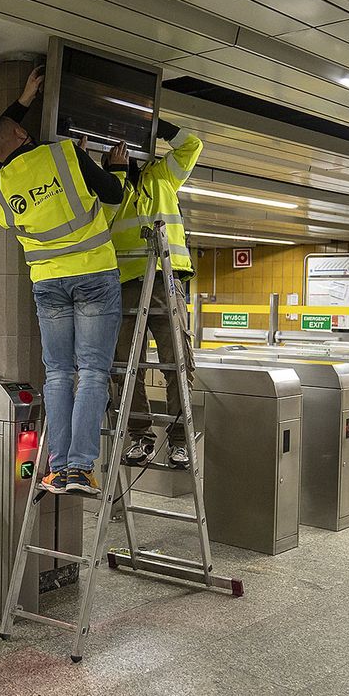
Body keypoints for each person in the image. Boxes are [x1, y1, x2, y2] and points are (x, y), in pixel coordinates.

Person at [0, 66, 128, 496]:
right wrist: (114, 168)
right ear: (23, 135)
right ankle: (82, 467)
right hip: (94, 275)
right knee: (94, 371)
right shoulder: (64, 154)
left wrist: (22, 102)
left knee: (60, 374)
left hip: (48, 285)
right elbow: (115, 194)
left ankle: (61, 466)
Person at [107, 118, 203, 468]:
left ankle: (180, 440)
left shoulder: (162, 176)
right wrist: (115, 175)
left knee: (178, 362)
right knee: (124, 366)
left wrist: (159, 126)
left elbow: (192, 146)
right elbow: (104, 217)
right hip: (124, 284)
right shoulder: (105, 186)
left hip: (166, 279)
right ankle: (140, 436)